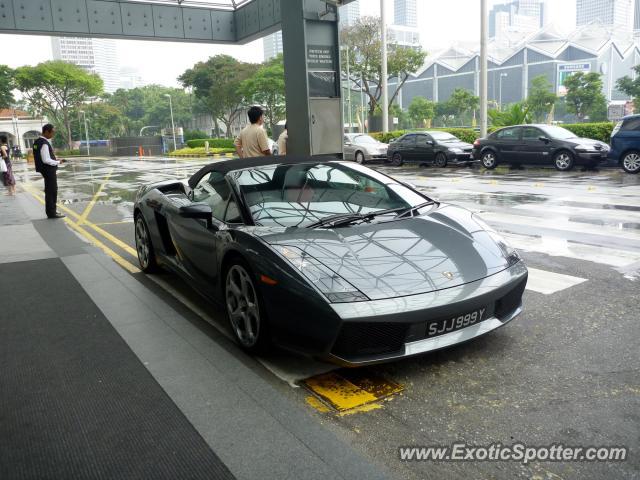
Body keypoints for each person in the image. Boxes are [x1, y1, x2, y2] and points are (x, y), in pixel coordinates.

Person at [33, 124, 65, 219]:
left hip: (44, 169)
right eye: (52, 132)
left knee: (49, 190)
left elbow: (42, 156)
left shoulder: (37, 142)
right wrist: (58, 162)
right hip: (48, 170)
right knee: (52, 191)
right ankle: (52, 213)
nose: (53, 134)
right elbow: (46, 159)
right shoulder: (44, 143)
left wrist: (55, 159)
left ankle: (51, 211)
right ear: (47, 131)